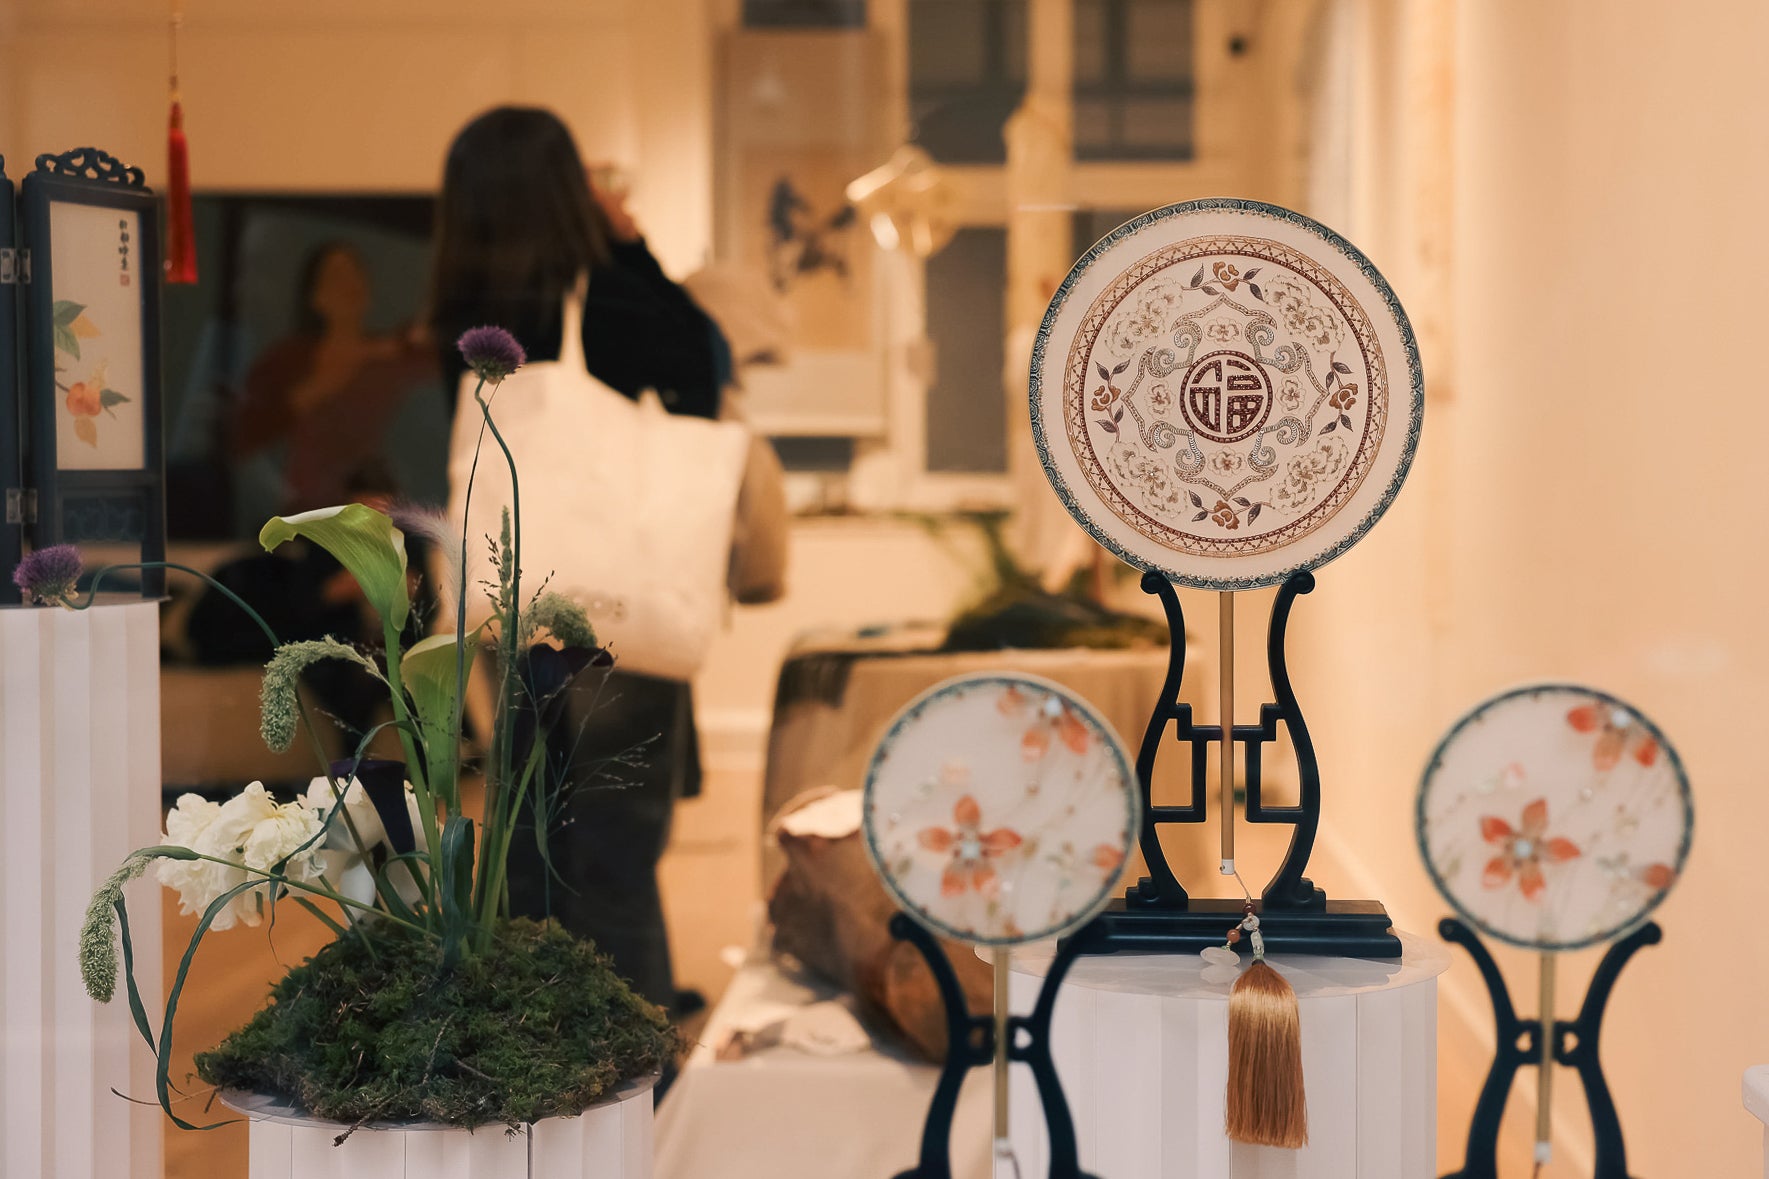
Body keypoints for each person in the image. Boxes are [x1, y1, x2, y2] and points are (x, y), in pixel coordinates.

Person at [428, 106, 729, 1011]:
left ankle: (539, 1043)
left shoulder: (464, 302)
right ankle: (636, 1065)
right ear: (570, 188)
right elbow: (702, 374)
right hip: (613, 607)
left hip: (513, 592)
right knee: (615, 845)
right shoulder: (605, 284)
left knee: (527, 839)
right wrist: (630, 247)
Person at [231, 242, 434, 514]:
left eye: (356, 275)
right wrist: (315, 389)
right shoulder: (288, 360)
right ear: (315, 296)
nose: (349, 284)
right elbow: (242, 436)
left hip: (377, 509)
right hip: (308, 512)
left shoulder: (393, 357)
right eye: (336, 276)